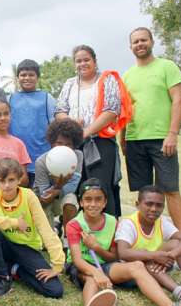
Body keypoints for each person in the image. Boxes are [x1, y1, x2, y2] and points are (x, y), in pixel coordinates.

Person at [66, 178, 181, 306]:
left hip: (105, 264)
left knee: (138, 266)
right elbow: (77, 260)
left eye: (98, 199)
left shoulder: (113, 222)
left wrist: (97, 247)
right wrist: (96, 273)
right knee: (92, 279)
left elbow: (114, 256)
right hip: (82, 268)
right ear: (81, 202)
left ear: (105, 202)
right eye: (88, 200)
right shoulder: (74, 225)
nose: (93, 204)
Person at [122, 27, 181, 232]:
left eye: (143, 40)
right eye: (135, 42)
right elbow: (126, 109)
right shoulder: (128, 75)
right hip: (134, 140)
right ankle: (145, 237)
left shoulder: (167, 67)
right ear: (130, 47)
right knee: (144, 193)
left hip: (162, 139)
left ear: (151, 41)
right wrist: (122, 139)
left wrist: (172, 134)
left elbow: (178, 100)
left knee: (170, 189)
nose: (140, 44)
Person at [0, 158, 65, 299]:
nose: (6, 185)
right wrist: (14, 222)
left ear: (19, 179)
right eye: (2, 181)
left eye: (11, 180)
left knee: (55, 290)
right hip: (4, 246)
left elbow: (45, 229)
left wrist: (57, 264)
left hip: (26, 248)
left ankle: (14, 270)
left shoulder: (28, 196)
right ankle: (3, 277)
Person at [55, 45, 125, 217]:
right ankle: (78, 235)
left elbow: (111, 111)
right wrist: (71, 123)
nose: (82, 64)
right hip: (74, 145)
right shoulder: (70, 83)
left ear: (94, 61)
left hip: (100, 142)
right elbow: (59, 111)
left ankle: (108, 237)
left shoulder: (107, 79)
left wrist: (85, 132)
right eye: (78, 61)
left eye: (86, 59)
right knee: (76, 188)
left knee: (100, 188)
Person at [9, 59, 56, 187]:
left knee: (39, 199)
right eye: (23, 75)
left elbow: (55, 127)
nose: (27, 78)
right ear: (17, 77)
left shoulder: (47, 98)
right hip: (16, 159)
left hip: (41, 158)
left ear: (37, 77)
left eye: (31, 75)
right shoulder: (10, 98)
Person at [34, 119, 83, 237]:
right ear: (52, 143)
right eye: (59, 143)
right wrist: (57, 186)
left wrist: (57, 188)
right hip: (43, 201)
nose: (64, 148)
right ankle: (51, 231)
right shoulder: (41, 162)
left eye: (68, 144)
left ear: (74, 144)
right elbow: (44, 194)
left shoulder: (78, 156)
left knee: (70, 201)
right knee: (48, 242)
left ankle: (68, 239)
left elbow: (72, 187)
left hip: (61, 195)